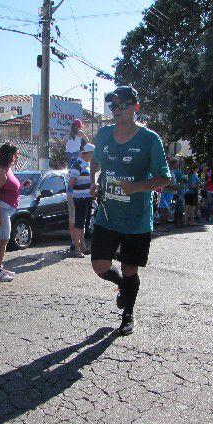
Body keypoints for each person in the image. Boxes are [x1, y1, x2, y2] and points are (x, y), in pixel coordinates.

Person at [89, 86, 171, 336]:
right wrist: (94, 180)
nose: (116, 110)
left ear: (136, 106)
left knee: (129, 268)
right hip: (107, 214)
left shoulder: (149, 139)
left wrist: (135, 187)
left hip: (136, 219)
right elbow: (95, 162)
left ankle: (128, 314)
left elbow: (164, 178)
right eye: (112, 106)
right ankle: (123, 287)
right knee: (100, 265)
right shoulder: (103, 134)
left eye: (121, 104)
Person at [0, 143, 21, 280]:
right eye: (16, 154)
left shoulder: (7, 169)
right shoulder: (2, 172)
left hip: (6, 208)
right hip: (1, 209)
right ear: (10, 156)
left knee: (4, 240)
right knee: (2, 240)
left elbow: (8, 188)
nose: (18, 156)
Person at [65, 119, 89, 251]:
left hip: (71, 178)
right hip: (79, 186)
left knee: (73, 217)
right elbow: (89, 148)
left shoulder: (69, 140)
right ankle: (79, 244)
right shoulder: (81, 140)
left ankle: (74, 241)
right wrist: (84, 136)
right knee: (80, 217)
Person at [68, 143, 94, 257]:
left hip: (87, 198)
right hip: (80, 198)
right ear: (86, 153)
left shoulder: (86, 164)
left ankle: (83, 246)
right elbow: (71, 182)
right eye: (93, 154)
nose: (94, 156)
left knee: (83, 223)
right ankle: (77, 249)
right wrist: (72, 196)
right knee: (79, 224)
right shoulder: (78, 164)